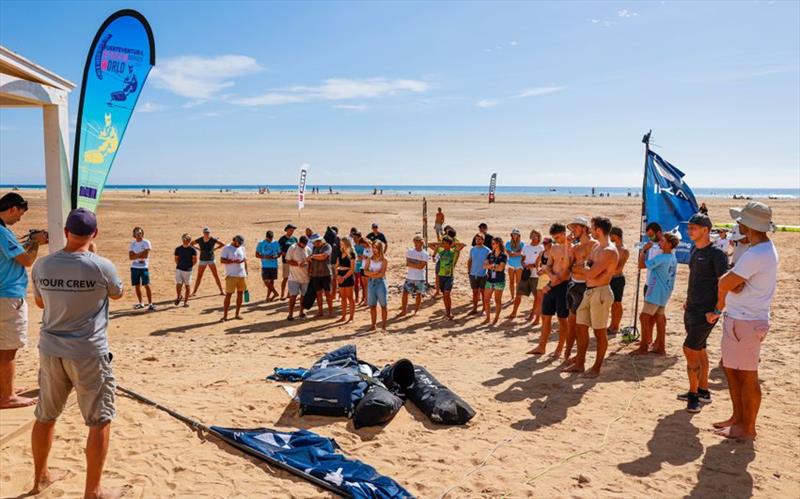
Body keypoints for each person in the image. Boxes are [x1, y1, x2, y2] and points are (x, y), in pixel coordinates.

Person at [29, 208, 124, 498]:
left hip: (51, 348)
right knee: (99, 420)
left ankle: (41, 477)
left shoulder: (43, 265)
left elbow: (41, 304)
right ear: (94, 234)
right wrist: (93, 257)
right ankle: (93, 490)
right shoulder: (101, 265)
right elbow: (117, 294)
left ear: (67, 233)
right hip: (87, 351)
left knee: (45, 415)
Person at [706, 201, 777, 439]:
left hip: (746, 321)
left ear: (749, 226)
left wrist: (723, 293)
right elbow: (731, 282)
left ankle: (747, 427)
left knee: (746, 375)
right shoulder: (759, 250)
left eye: (741, 221)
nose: (738, 224)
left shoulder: (757, 253)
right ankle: (738, 419)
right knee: (733, 370)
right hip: (742, 319)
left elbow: (725, 282)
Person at [1, 193, 47, 409]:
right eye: (20, 213)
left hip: (4, 296)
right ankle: (7, 396)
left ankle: (5, 388)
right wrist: (36, 243)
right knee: (8, 348)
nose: (19, 219)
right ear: (12, 209)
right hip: (8, 296)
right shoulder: (2, 232)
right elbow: (27, 260)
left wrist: (30, 241)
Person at [679, 213, 728, 413]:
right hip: (692, 307)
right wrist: (688, 300)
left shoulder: (717, 254)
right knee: (700, 350)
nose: (689, 231)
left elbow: (723, 284)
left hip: (706, 312)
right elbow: (696, 278)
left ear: (706, 230)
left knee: (689, 349)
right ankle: (704, 390)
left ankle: (693, 396)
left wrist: (717, 310)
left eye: (693, 228)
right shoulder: (693, 249)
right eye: (689, 227)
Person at [571, 217, 619, 377]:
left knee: (599, 332)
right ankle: (579, 364)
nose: (590, 230)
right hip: (589, 290)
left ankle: (596, 368)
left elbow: (589, 270)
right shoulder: (598, 247)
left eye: (592, 228)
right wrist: (586, 269)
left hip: (601, 292)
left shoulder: (609, 251)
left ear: (598, 230)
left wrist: (585, 269)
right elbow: (586, 266)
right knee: (581, 327)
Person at [631, 233, 679, 355]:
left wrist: (643, 251)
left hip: (655, 291)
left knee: (644, 317)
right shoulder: (673, 258)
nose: (660, 243)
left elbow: (641, 265)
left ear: (669, 244)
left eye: (663, 241)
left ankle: (644, 346)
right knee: (659, 318)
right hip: (665, 291)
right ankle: (660, 346)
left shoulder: (662, 258)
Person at [530, 224, 570, 357]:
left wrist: (551, 281)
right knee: (545, 316)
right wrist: (550, 277)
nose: (556, 240)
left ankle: (559, 348)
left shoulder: (571, 249)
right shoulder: (554, 248)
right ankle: (541, 347)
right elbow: (548, 265)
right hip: (551, 284)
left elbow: (566, 272)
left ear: (564, 233)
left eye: (558, 237)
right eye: (554, 237)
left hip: (563, 286)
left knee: (562, 319)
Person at [563, 216, 597, 366]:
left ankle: (579, 358)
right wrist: (567, 246)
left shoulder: (593, 245)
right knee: (571, 323)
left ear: (584, 228)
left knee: (582, 326)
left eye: (576, 227)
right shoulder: (575, 247)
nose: (573, 231)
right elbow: (568, 266)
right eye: (572, 228)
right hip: (573, 285)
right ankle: (568, 352)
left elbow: (590, 268)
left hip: (585, 287)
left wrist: (577, 268)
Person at [509, 229, 543, 320]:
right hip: (525, 274)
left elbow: (541, 262)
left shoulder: (541, 248)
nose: (533, 236)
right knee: (519, 293)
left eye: (536, 235)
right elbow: (522, 259)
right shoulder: (526, 247)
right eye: (532, 234)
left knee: (536, 296)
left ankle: (533, 314)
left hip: (536, 275)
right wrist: (524, 264)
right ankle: (514, 312)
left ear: (539, 237)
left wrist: (532, 265)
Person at [429, 235, 464, 320]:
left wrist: (452, 243)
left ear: (450, 244)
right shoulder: (440, 251)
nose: (444, 245)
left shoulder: (453, 251)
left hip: (449, 276)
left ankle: (449, 313)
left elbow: (462, 245)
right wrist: (441, 243)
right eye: (443, 243)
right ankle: (447, 312)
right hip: (441, 276)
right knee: (445, 295)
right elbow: (430, 244)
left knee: (447, 294)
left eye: (446, 243)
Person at [398, 235, 430, 316]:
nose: (416, 244)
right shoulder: (410, 251)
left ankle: (416, 310)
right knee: (405, 293)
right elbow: (408, 264)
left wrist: (413, 264)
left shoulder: (425, 254)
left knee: (419, 294)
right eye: (415, 242)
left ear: (421, 243)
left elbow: (421, 266)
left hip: (419, 277)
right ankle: (404, 310)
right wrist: (417, 264)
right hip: (410, 276)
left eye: (418, 242)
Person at [608, 227, 630, 335]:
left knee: (617, 303)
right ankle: (612, 325)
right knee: (612, 304)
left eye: (610, 235)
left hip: (617, 279)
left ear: (615, 235)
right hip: (610, 278)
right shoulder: (612, 247)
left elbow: (618, 269)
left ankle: (615, 326)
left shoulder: (623, 250)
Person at [220, 235, 247, 321]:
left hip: (241, 275)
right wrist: (232, 261)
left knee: (240, 294)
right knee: (228, 295)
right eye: (239, 243)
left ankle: (237, 314)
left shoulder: (242, 248)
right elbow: (222, 260)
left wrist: (246, 272)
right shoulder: (227, 248)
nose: (239, 245)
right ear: (235, 240)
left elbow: (244, 260)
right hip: (231, 275)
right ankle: (225, 316)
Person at [191, 227, 224, 296]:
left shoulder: (212, 239)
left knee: (215, 275)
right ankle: (194, 292)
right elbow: (191, 244)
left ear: (209, 233)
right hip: (203, 259)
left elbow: (222, 244)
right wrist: (198, 249)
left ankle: (221, 291)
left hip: (211, 259)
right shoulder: (200, 239)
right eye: (205, 232)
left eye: (208, 232)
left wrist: (215, 249)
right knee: (199, 276)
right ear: (203, 233)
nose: (206, 234)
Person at [364, 240, 388, 332]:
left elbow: (382, 274)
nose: (374, 250)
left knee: (383, 305)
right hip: (371, 282)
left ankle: (384, 326)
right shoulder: (370, 258)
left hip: (380, 283)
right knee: (372, 305)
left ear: (380, 249)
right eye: (373, 248)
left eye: (376, 248)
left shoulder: (384, 260)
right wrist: (373, 273)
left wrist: (371, 274)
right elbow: (365, 271)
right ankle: (373, 325)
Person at [129, 227, 155, 311]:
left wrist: (136, 255)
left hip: (144, 267)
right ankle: (141, 303)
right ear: (134, 234)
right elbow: (130, 257)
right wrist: (141, 253)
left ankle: (150, 304)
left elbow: (146, 255)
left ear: (142, 233)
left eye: (140, 233)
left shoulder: (146, 242)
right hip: (134, 267)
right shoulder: (132, 244)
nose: (138, 235)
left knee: (146, 285)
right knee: (137, 286)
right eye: (136, 233)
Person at [482, 237, 507, 325]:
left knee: (497, 300)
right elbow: (484, 266)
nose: (492, 245)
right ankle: (488, 318)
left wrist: (491, 266)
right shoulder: (490, 254)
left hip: (499, 281)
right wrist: (494, 266)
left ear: (498, 244)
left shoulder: (503, 255)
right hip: (490, 280)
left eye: (493, 243)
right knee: (486, 299)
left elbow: (501, 268)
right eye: (492, 243)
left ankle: (496, 318)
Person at [285, 236, 311, 320]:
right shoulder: (292, 248)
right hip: (294, 277)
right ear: (299, 242)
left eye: (305, 244)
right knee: (293, 296)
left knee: (303, 296)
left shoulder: (308, 249)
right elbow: (288, 260)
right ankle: (290, 314)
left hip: (305, 277)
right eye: (302, 244)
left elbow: (310, 261)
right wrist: (299, 264)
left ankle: (301, 312)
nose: (304, 246)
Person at [308, 234, 334, 318]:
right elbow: (313, 260)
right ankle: (320, 311)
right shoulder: (315, 248)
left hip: (326, 273)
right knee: (318, 294)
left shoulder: (327, 246)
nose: (314, 244)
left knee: (328, 294)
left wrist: (312, 256)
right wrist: (310, 269)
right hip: (316, 274)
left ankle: (330, 312)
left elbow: (324, 256)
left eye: (315, 242)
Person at [466, 233, 491, 315]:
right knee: (474, 292)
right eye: (476, 239)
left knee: (483, 293)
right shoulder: (472, 249)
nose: (478, 241)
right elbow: (470, 261)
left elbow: (489, 263)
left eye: (479, 239)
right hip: (473, 274)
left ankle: (484, 309)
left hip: (483, 275)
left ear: (483, 240)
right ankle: (474, 309)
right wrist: (469, 272)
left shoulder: (487, 251)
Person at [256, 230, 281, 302]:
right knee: (266, 281)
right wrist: (265, 257)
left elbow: (279, 253)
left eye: (271, 239)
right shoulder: (261, 243)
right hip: (265, 265)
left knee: (271, 282)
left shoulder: (276, 243)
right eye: (269, 239)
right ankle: (275, 293)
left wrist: (276, 256)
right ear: (266, 237)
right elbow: (257, 254)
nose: (270, 240)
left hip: (273, 265)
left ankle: (268, 297)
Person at [336, 237, 356, 323]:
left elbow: (352, 269)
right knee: (343, 297)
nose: (341, 245)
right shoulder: (340, 253)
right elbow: (337, 265)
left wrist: (343, 277)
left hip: (347, 277)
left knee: (350, 297)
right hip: (340, 276)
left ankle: (351, 317)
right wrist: (337, 275)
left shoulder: (352, 254)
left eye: (342, 243)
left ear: (346, 243)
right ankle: (343, 316)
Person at [173, 234, 197, 307]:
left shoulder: (192, 250)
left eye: (187, 239)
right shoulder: (178, 249)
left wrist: (189, 266)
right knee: (178, 284)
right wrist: (180, 265)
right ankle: (179, 296)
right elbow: (176, 259)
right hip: (179, 269)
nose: (185, 240)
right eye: (184, 239)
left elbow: (195, 261)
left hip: (188, 270)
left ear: (189, 240)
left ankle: (185, 302)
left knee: (187, 286)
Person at [277, 224, 298, 300]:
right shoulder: (282, 239)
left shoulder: (295, 239)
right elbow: (279, 250)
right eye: (290, 230)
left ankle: (289, 293)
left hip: (294, 261)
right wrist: (287, 254)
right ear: (286, 230)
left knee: (292, 278)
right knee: (285, 278)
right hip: (286, 261)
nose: (292, 232)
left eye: (293, 230)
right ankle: (282, 294)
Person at [505, 229, 525, 302]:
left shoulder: (522, 244)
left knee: (518, 282)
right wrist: (517, 253)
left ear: (519, 235)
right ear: (511, 235)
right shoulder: (508, 243)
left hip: (519, 265)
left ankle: (517, 296)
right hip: (511, 264)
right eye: (513, 234)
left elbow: (521, 253)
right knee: (511, 281)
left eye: (516, 234)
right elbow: (509, 254)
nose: (514, 235)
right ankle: (512, 297)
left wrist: (515, 253)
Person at [353, 231, 370, 306]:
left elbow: (367, 257)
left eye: (356, 237)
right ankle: (362, 299)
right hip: (360, 267)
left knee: (365, 285)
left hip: (366, 267)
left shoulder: (368, 249)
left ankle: (366, 299)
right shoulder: (357, 247)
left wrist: (361, 257)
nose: (354, 239)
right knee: (360, 284)